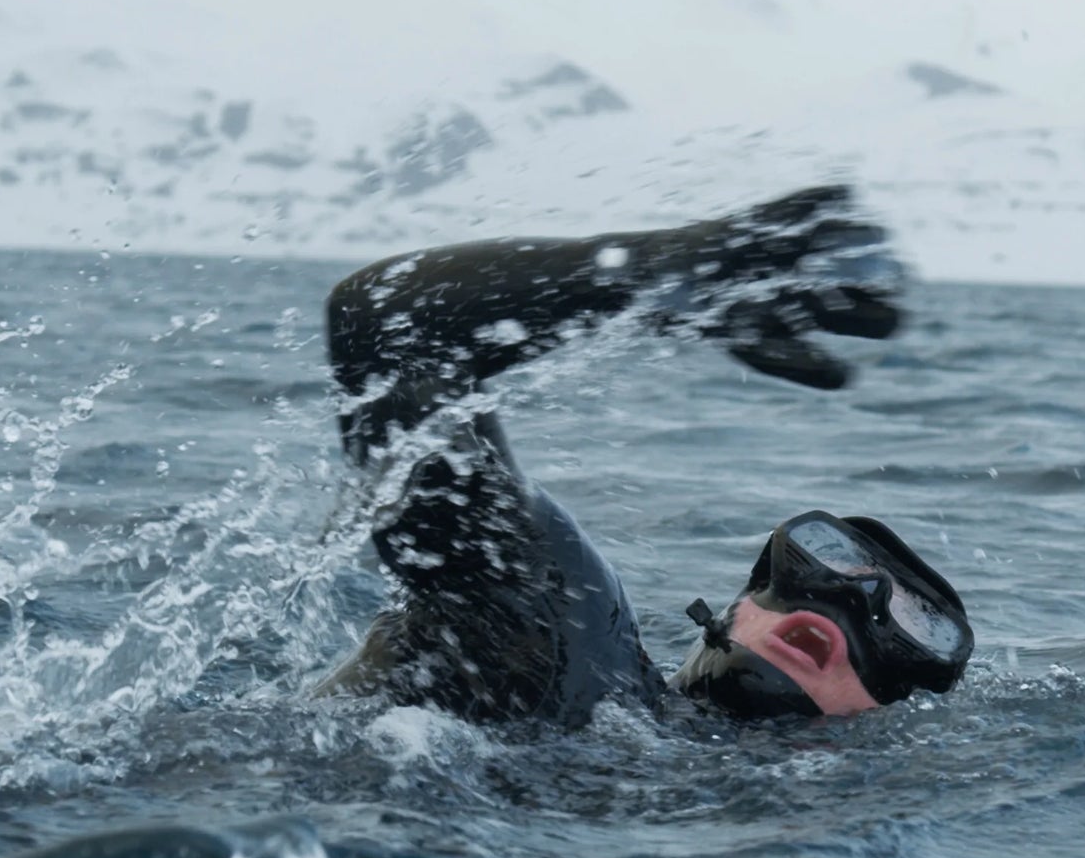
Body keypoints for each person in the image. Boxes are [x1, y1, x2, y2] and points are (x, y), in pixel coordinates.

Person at [318, 185, 975, 725]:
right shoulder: (571, 651)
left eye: (914, 625)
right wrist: (663, 274)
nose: (855, 597)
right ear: (731, 615)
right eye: (828, 556)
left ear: (884, 711)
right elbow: (388, 322)